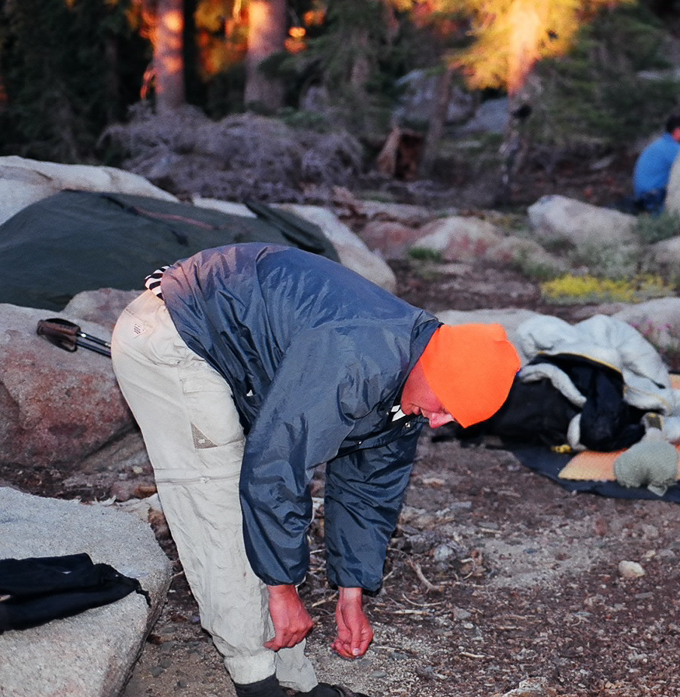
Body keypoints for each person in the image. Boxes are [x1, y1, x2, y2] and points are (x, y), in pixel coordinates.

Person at [109, 243, 520, 697]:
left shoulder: (413, 390)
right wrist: (283, 589)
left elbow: (369, 490)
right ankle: (256, 679)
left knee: (264, 509)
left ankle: (296, 682)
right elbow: (275, 468)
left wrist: (352, 591)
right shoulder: (356, 357)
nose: (439, 422)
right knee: (220, 503)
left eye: (454, 421)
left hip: (238, 352)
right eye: (446, 407)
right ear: (434, 369)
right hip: (173, 336)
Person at [632, 114, 680, 214]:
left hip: (642, 197)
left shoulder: (659, 145)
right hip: (653, 199)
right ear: (678, 132)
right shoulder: (674, 149)